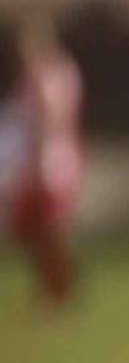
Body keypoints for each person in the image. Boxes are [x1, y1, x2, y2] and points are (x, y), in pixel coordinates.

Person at [0, 16, 85, 309]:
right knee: (35, 232)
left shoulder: (44, 75)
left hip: (48, 162)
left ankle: (61, 289)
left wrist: (33, 162)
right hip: (49, 159)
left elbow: (44, 119)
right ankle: (54, 289)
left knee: (48, 231)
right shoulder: (57, 71)